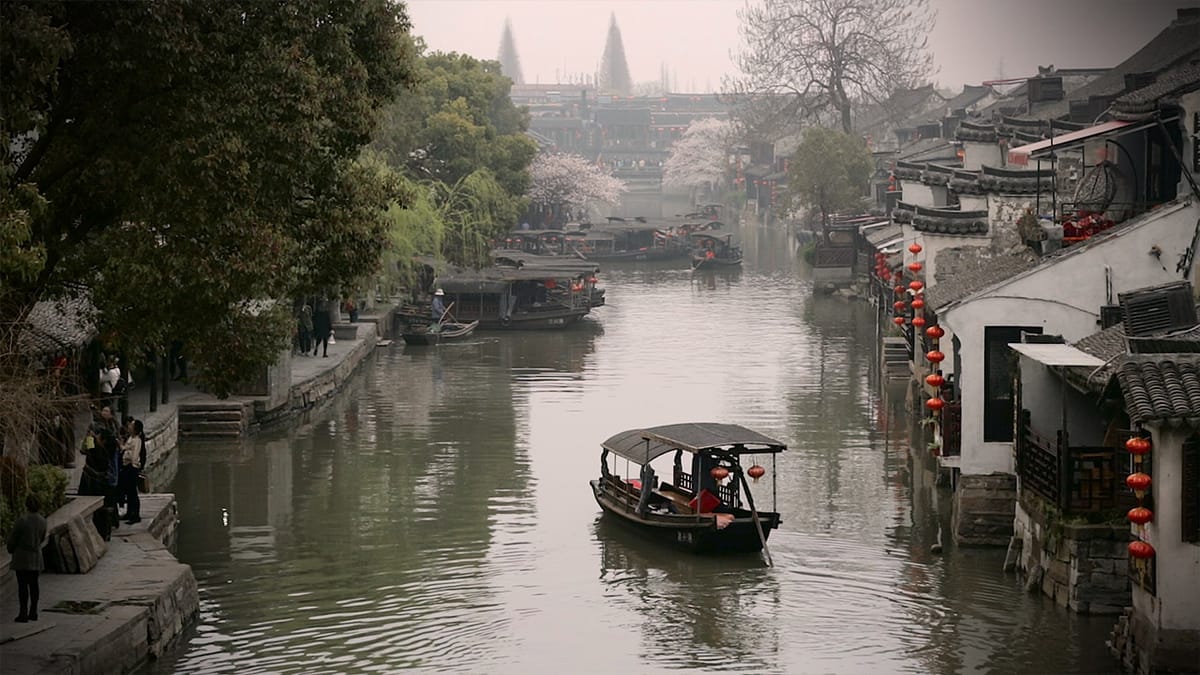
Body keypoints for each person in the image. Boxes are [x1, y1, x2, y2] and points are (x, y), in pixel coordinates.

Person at [7, 494, 49, 623]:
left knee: (22, 585)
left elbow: (13, 539)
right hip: (36, 556)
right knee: (34, 584)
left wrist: (11, 549)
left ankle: (23, 613)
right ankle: (34, 611)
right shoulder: (43, 520)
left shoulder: (22, 520)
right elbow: (42, 538)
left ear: (26, 505)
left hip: (22, 557)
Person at [120, 419, 143, 524]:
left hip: (131, 467)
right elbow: (125, 448)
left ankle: (135, 515)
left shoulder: (137, 440)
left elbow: (134, 455)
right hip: (126, 466)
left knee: (133, 492)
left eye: (131, 425)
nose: (129, 426)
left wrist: (130, 459)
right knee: (129, 492)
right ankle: (129, 513)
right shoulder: (130, 438)